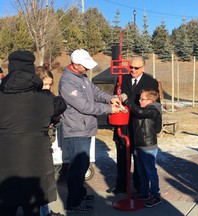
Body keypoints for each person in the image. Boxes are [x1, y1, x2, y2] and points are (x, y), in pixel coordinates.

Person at [0, 50, 67, 216]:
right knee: (33, 210)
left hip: (5, 169)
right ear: (31, 69)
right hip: (36, 168)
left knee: (6, 209)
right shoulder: (45, 98)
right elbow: (60, 105)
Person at [58, 49, 121, 213]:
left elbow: (95, 92)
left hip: (85, 127)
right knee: (77, 167)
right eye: (85, 66)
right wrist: (109, 109)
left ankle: (80, 193)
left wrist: (110, 98)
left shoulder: (82, 77)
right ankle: (73, 202)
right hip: (76, 129)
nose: (87, 69)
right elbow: (85, 106)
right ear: (75, 64)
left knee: (84, 164)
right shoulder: (67, 82)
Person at [107, 56, 160, 195]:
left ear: (143, 68)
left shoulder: (151, 82)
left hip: (140, 127)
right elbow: (114, 97)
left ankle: (139, 187)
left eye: (136, 68)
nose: (133, 70)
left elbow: (156, 105)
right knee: (122, 157)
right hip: (123, 125)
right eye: (131, 67)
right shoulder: (121, 79)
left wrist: (156, 128)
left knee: (139, 161)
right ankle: (121, 186)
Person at [121, 89, 162, 207]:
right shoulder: (144, 110)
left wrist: (126, 101)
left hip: (148, 146)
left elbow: (139, 112)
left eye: (142, 99)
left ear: (150, 100)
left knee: (150, 171)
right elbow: (137, 113)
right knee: (141, 171)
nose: (139, 100)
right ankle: (144, 193)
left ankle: (156, 195)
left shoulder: (153, 110)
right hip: (139, 144)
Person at [37, 68, 64, 216]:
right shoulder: (36, 98)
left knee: (46, 179)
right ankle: (43, 212)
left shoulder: (50, 97)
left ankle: (45, 210)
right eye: (45, 85)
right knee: (41, 180)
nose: (47, 88)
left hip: (47, 139)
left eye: (50, 85)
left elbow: (55, 115)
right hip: (39, 142)